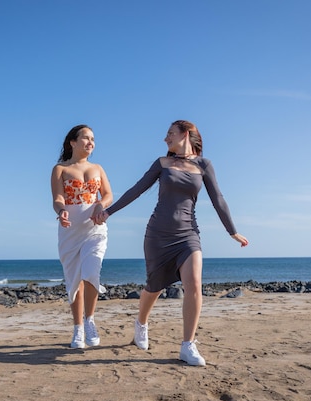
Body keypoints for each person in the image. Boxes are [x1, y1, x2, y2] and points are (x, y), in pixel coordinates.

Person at [94, 120, 248, 366]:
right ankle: (141, 324)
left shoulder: (204, 165)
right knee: (154, 287)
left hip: (188, 234)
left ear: (185, 134)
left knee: (194, 285)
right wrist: (109, 212)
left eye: (170, 134)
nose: (165, 139)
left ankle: (188, 345)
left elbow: (218, 198)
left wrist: (232, 231)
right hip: (157, 235)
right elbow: (137, 189)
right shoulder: (162, 163)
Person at [51, 124, 113, 348]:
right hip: (70, 230)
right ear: (73, 142)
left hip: (95, 228)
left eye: (93, 139)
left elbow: (108, 195)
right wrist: (62, 211)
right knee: (74, 279)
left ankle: (90, 321)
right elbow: (58, 199)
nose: (90, 143)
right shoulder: (60, 169)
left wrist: (100, 205)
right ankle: (78, 329)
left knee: (91, 273)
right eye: (86, 138)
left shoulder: (98, 168)